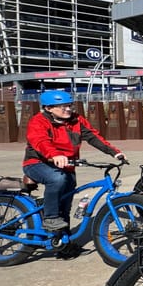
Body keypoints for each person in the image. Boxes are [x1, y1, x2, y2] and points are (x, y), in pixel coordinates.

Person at [23, 91, 125, 249]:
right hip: (37, 163)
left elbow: (93, 136)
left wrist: (114, 152)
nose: (68, 110)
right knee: (57, 179)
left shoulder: (76, 120)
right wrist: (54, 154)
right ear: (49, 108)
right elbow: (40, 141)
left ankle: (64, 243)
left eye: (70, 106)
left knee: (65, 204)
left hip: (66, 165)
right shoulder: (38, 121)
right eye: (63, 107)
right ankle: (50, 217)